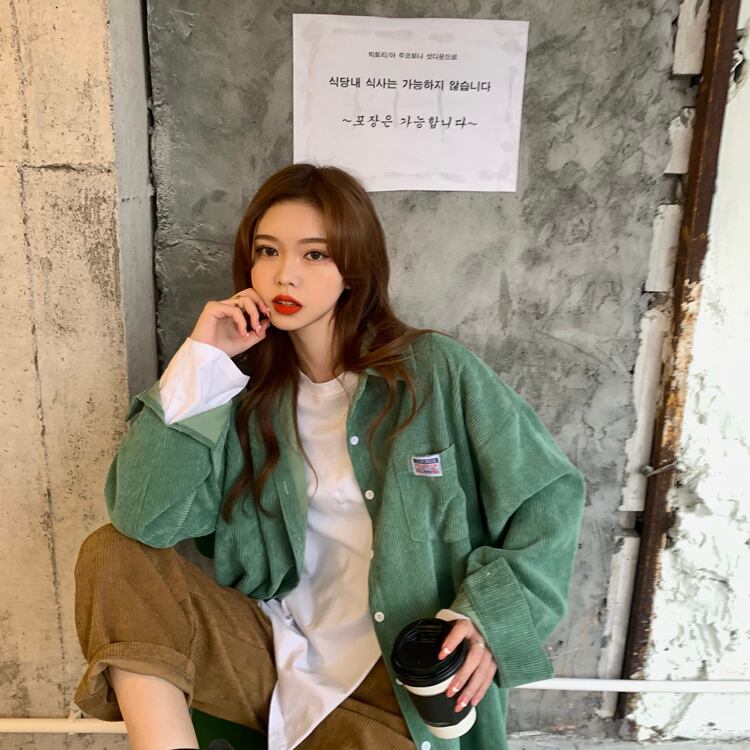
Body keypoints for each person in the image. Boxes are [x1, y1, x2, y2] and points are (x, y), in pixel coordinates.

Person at [73, 163, 586, 750]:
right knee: (114, 553)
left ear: (353, 269)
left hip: (396, 686)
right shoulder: (241, 399)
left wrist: (487, 617)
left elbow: (550, 496)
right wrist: (203, 361)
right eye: (267, 251)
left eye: (314, 254)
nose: (284, 274)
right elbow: (143, 518)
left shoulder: (435, 373)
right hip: (273, 660)